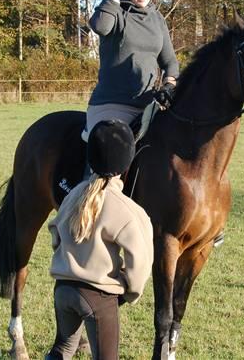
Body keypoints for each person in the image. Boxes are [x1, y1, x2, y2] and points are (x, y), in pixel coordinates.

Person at [46, 120, 154, 360]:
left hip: (63, 289)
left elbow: (55, 230)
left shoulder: (74, 194)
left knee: (62, 350)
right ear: (127, 160)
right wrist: (129, 291)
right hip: (98, 297)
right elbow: (141, 260)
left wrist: (66, 262)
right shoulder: (128, 210)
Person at [85, 0, 180, 140]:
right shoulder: (114, 13)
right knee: (111, 157)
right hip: (112, 105)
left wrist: (169, 84)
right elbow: (100, 26)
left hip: (149, 107)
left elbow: (170, 61)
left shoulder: (157, 18)